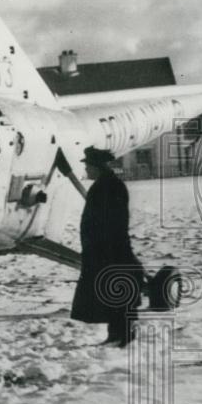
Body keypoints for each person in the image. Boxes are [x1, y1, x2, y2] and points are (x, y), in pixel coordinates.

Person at [70, 147, 144, 348]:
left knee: (118, 292)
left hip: (111, 248)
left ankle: (124, 335)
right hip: (101, 248)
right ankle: (115, 335)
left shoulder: (111, 186)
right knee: (110, 293)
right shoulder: (105, 184)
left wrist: (105, 245)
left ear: (97, 167)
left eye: (88, 166)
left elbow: (115, 220)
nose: (86, 170)